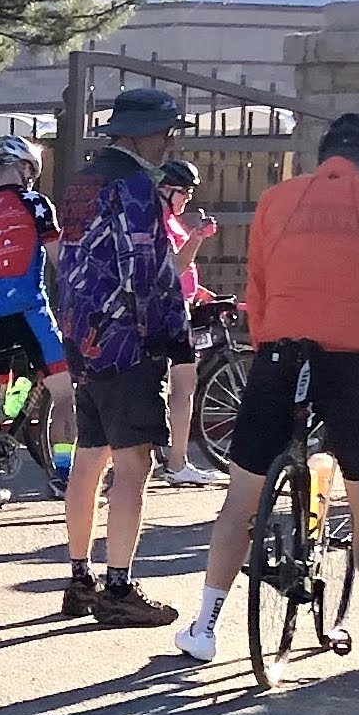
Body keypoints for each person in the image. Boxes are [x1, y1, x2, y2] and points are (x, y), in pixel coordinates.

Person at [173, 111, 359, 672]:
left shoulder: (277, 199)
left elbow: (258, 282)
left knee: (242, 494)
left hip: (279, 353)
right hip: (349, 359)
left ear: (322, 160)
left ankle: (204, 627)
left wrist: (267, 344)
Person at [52, 84, 192, 625]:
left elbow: (71, 260)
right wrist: (171, 336)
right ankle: (118, 588)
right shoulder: (135, 186)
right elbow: (145, 272)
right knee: (135, 462)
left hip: (81, 336)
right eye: (165, 132)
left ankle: (79, 578)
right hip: (125, 342)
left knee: (91, 457)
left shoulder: (81, 182)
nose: (168, 142)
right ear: (142, 133)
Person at [0, 135, 74, 477]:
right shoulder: (36, 204)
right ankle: (65, 474)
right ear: (27, 169)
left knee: (3, 398)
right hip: (29, 311)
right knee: (65, 395)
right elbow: (60, 261)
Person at [159, 155, 220, 485]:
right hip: (169, 312)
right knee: (183, 387)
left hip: (175, 305)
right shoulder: (162, 221)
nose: (188, 198)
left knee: (176, 386)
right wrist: (197, 237)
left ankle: (170, 458)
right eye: (184, 192)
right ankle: (177, 462)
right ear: (166, 190)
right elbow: (175, 266)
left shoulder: (167, 219)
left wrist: (198, 291)